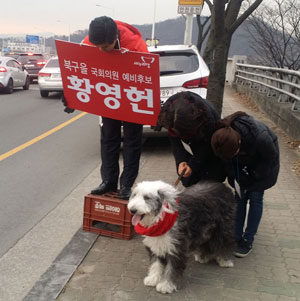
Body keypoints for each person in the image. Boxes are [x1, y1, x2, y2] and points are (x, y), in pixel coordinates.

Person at [63, 16, 149, 200]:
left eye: (105, 47)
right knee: (109, 139)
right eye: (98, 47)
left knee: (132, 141)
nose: (101, 51)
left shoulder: (136, 46)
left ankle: (126, 184)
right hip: (108, 96)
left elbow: (147, 79)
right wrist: (71, 95)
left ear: (115, 38)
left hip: (131, 97)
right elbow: (79, 69)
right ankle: (108, 181)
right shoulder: (89, 43)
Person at [211, 111, 280, 257]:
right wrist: (236, 177)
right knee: (240, 197)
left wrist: (254, 176)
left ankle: (248, 239)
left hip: (262, 165)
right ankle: (236, 236)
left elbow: (269, 161)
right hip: (242, 163)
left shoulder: (261, 138)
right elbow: (227, 163)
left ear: (239, 143)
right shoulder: (224, 138)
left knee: (255, 198)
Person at [156, 91, 227, 187]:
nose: (176, 134)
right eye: (174, 130)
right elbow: (174, 139)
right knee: (188, 179)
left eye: (180, 133)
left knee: (210, 181)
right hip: (191, 140)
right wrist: (181, 160)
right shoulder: (169, 111)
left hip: (209, 145)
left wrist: (193, 165)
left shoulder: (208, 119)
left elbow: (207, 147)